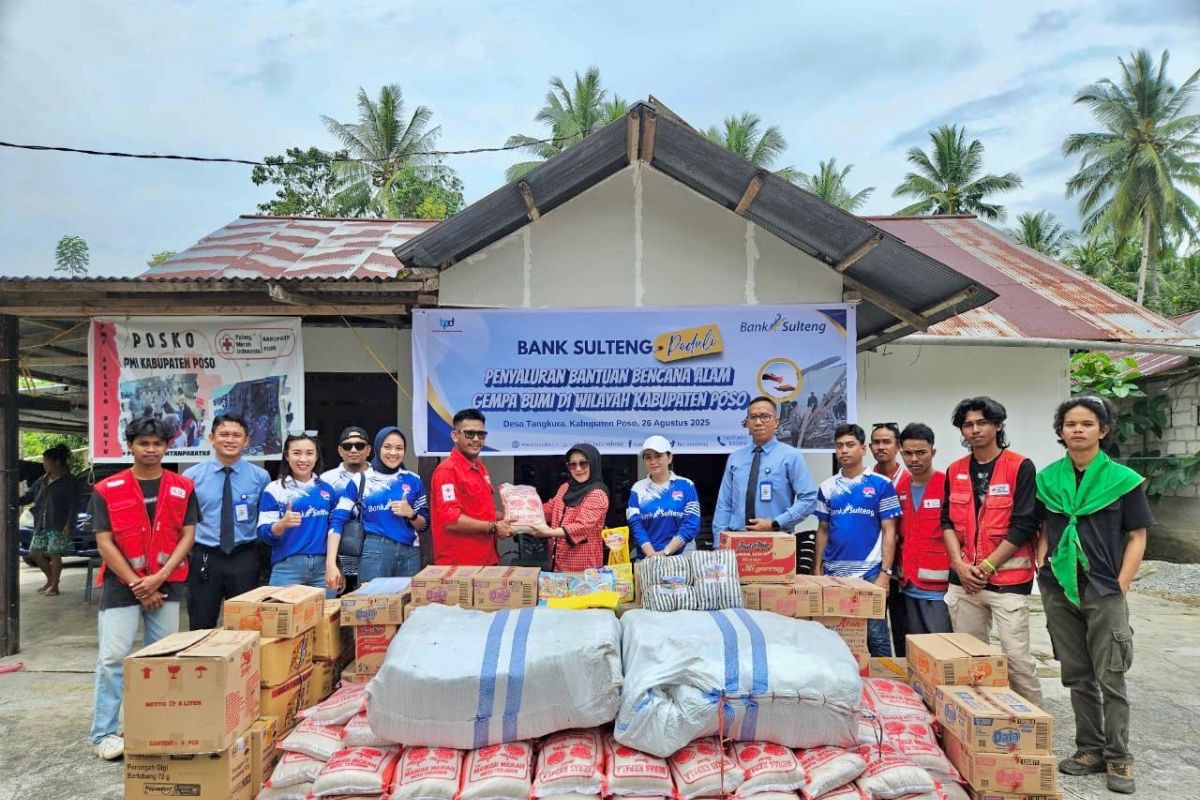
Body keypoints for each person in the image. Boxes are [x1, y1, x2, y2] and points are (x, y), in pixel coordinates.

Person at [1036, 396, 1152, 794]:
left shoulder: (1123, 481)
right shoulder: (1048, 479)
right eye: (1070, 424)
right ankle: (1089, 749)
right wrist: (1043, 566)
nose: (1077, 430)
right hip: (1059, 588)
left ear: (1102, 430)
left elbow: (1138, 536)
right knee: (1077, 674)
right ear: (1061, 431)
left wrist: (1121, 583)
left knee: (1111, 676)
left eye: (1087, 424)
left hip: (1104, 588)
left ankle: (1119, 757)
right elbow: (1043, 528)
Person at [89, 417, 198, 760]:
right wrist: (141, 586)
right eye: (143, 443)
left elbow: (187, 535)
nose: (151, 450)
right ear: (130, 445)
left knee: (163, 660)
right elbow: (104, 542)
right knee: (112, 658)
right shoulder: (107, 489)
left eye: (157, 444)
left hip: (167, 584)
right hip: (123, 585)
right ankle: (105, 734)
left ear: (167, 447)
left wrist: (159, 577)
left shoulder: (183, 486)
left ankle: (154, 730)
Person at [941, 396, 1043, 705]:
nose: (974, 430)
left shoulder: (1020, 467)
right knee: (970, 660)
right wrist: (959, 565)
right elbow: (946, 520)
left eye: (982, 423)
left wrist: (985, 567)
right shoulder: (955, 469)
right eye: (968, 425)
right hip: (964, 583)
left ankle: (1033, 725)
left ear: (998, 425)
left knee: (1017, 661)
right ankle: (977, 723)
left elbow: (1025, 524)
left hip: (1007, 583)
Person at [813, 423, 901, 656]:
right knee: (833, 633)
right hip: (834, 573)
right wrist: (817, 570)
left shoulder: (881, 485)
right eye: (839, 446)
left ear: (863, 449)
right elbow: (822, 529)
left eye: (850, 445)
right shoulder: (827, 487)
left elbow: (890, 531)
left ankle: (884, 684)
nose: (844, 450)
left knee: (876, 634)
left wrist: (885, 574)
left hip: (870, 572)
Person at [182, 412, 271, 630]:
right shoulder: (191, 477)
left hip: (245, 557)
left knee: (246, 627)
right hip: (205, 558)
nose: (230, 440)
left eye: (236, 435)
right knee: (201, 625)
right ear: (211, 438)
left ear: (246, 440)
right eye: (223, 434)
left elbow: (263, 519)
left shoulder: (260, 477)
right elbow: (183, 522)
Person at [712, 396, 818, 555]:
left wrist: (776, 523)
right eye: (753, 417)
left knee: (774, 581)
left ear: (776, 422)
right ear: (747, 423)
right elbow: (724, 504)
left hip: (775, 540)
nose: (758, 422)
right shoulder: (735, 458)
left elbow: (809, 499)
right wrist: (718, 543)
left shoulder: (791, 456)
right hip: (737, 541)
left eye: (765, 417)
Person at [329, 426, 428, 580]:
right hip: (375, 550)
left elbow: (424, 526)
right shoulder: (360, 480)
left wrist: (411, 514)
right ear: (377, 448)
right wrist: (331, 564)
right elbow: (337, 520)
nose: (393, 453)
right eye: (387, 447)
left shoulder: (413, 480)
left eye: (399, 448)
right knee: (371, 602)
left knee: (408, 602)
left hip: (410, 553)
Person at [258, 433, 342, 596]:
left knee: (324, 620)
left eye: (309, 453)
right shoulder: (274, 489)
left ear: (317, 456)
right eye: (296, 453)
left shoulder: (328, 490)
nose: (303, 459)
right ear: (287, 456)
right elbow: (263, 535)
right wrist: (281, 524)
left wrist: (335, 565)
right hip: (287, 569)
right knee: (282, 619)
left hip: (323, 568)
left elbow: (335, 530)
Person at [429, 409, 512, 565]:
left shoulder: (481, 468)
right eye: (469, 434)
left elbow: (485, 513)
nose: (476, 439)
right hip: (461, 565)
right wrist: (494, 527)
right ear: (455, 435)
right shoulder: (447, 471)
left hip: (488, 559)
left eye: (481, 435)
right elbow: (452, 520)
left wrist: (514, 517)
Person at [895, 423, 953, 644]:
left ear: (933, 452)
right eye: (908, 453)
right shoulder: (900, 489)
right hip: (908, 584)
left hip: (939, 589)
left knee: (942, 647)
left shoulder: (946, 485)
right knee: (918, 650)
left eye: (921, 452)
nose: (914, 459)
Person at [530, 443, 610, 571]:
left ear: (593, 463)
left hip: (583, 568)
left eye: (583, 463)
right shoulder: (565, 487)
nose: (578, 469)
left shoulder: (598, 493)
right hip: (558, 562)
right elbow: (550, 509)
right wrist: (522, 514)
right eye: (572, 464)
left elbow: (582, 526)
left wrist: (548, 532)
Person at [626, 435, 702, 559]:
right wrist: (652, 555)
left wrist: (666, 552)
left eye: (658, 455)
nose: (653, 461)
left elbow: (690, 525)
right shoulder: (637, 489)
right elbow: (636, 525)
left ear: (670, 457)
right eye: (648, 457)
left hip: (682, 556)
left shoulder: (686, 485)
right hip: (647, 557)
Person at [871, 422, 909, 655]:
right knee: (875, 629)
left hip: (905, 568)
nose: (881, 447)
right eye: (876, 442)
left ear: (898, 446)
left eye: (887, 442)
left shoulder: (909, 478)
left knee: (902, 627)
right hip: (875, 567)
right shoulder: (866, 480)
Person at [20, 443, 78, 597]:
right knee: (34, 553)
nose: (44, 465)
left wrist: (69, 524)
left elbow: (74, 504)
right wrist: (11, 498)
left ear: (57, 462)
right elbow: (28, 497)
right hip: (41, 523)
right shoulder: (42, 480)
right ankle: (51, 579)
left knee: (54, 553)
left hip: (58, 524)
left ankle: (55, 586)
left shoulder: (68, 481)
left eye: (47, 461)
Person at [320, 426, 372, 591]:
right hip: (340, 562)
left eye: (360, 445)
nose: (354, 450)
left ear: (369, 449)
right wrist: (335, 565)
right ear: (340, 451)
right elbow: (323, 525)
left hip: (375, 560)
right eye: (347, 446)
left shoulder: (380, 478)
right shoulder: (326, 480)